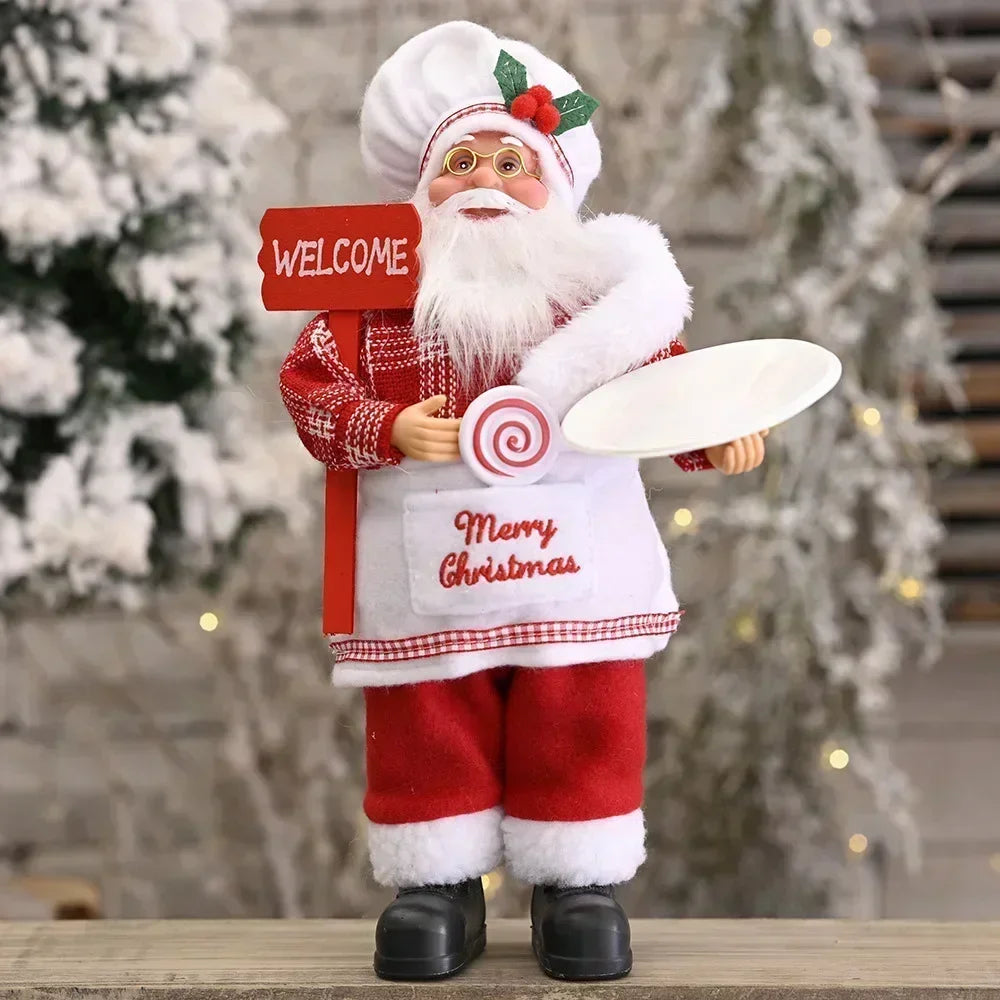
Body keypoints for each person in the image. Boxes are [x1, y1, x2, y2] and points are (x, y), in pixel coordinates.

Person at [279, 20, 766, 982]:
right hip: (425, 579)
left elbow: (657, 388)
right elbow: (311, 387)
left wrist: (714, 431)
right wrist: (384, 428)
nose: (488, 180)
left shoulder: (593, 307)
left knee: (581, 716)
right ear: (420, 189)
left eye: (514, 161)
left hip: (574, 582)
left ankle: (575, 882)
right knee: (427, 721)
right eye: (461, 161)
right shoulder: (375, 310)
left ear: (557, 191)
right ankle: (438, 882)